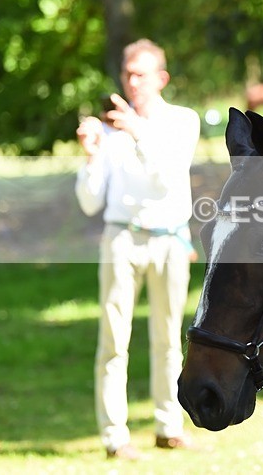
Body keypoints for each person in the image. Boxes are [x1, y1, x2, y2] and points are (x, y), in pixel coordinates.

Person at [75, 39, 200, 460]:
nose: (132, 82)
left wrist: (137, 131)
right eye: (128, 73)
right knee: (113, 341)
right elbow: (90, 202)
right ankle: (115, 436)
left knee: (168, 340)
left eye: (141, 74)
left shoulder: (183, 121)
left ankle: (169, 425)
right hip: (121, 238)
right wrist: (91, 156)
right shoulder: (112, 130)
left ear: (161, 78)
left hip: (168, 239)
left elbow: (167, 177)